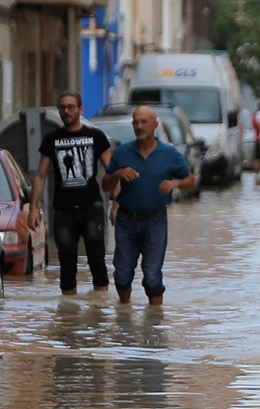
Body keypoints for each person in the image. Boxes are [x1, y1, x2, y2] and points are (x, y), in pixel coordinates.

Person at [102, 106, 197, 305]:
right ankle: (124, 315)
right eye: (136, 122)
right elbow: (105, 184)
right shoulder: (122, 152)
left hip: (156, 221)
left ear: (155, 125)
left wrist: (175, 183)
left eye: (144, 121)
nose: (139, 126)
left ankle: (154, 322)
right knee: (122, 275)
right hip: (126, 220)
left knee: (153, 277)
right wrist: (118, 174)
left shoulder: (169, 153)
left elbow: (191, 181)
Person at [29, 92, 112, 295]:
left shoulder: (96, 137)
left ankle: (100, 310)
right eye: (62, 107)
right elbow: (40, 176)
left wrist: (118, 203)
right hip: (63, 210)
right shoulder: (52, 139)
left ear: (80, 109)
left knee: (97, 260)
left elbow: (112, 172)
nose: (66, 111)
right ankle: (69, 313)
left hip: (92, 206)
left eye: (71, 107)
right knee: (66, 264)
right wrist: (33, 208)